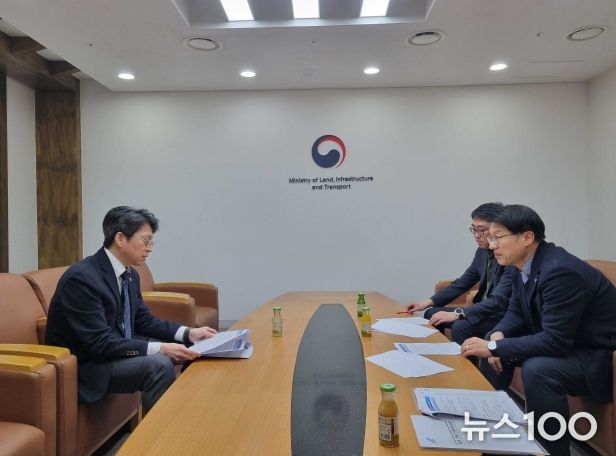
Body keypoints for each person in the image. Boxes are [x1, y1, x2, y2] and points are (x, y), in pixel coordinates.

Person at [462, 204, 616, 456]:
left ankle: (550, 451)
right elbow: (515, 312)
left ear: (527, 237)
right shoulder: (520, 264)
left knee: (538, 369)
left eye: (497, 237)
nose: (491, 245)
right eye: (490, 238)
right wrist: (499, 335)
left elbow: (556, 340)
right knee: (493, 338)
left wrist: (494, 347)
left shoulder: (561, 271)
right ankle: (489, 428)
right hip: (567, 344)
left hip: (596, 355)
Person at [46, 206, 218, 412]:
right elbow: (99, 343)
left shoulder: (130, 274)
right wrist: (161, 348)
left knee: (194, 347)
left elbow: (143, 320)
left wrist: (188, 333)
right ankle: (158, 432)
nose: (149, 248)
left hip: (116, 348)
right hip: (90, 364)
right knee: (160, 364)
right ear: (120, 239)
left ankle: (190, 416)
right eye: (145, 241)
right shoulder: (82, 279)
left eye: (151, 243)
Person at [407, 202, 512, 342]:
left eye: (482, 230)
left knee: (460, 326)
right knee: (431, 313)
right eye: (473, 229)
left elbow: (498, 302)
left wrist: (459, 313)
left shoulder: (510, 256)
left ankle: (464, 357)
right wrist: (429, 301)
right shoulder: (481, 252)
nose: (476, 235)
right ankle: (438, 350)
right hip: (480, 310)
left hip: (499, 315)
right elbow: (463, 283)